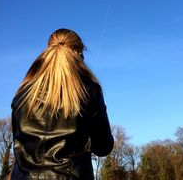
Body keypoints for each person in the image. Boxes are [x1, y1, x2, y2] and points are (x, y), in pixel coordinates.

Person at [11, 28, 114, 179]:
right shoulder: (89, 90)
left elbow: (19, 145)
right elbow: (103, 147)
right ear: (78, 53)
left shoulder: (22, 94)